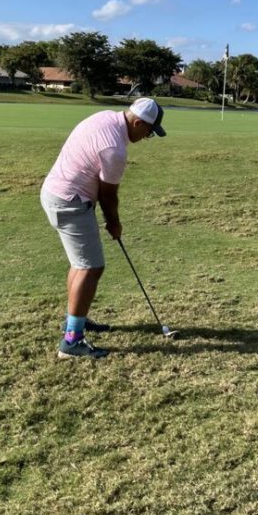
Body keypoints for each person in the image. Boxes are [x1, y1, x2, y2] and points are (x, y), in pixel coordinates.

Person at [40, 97, 166, 359]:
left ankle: (75, 319)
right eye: (148, 132)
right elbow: (108, 195)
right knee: (91, 267)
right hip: (69, 202)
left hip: (55, 193)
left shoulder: (105, 117)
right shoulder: (115, 150)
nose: (146, 137)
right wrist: (114, 223)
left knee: (80, 264)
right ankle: (71, 342)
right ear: (138, 122)